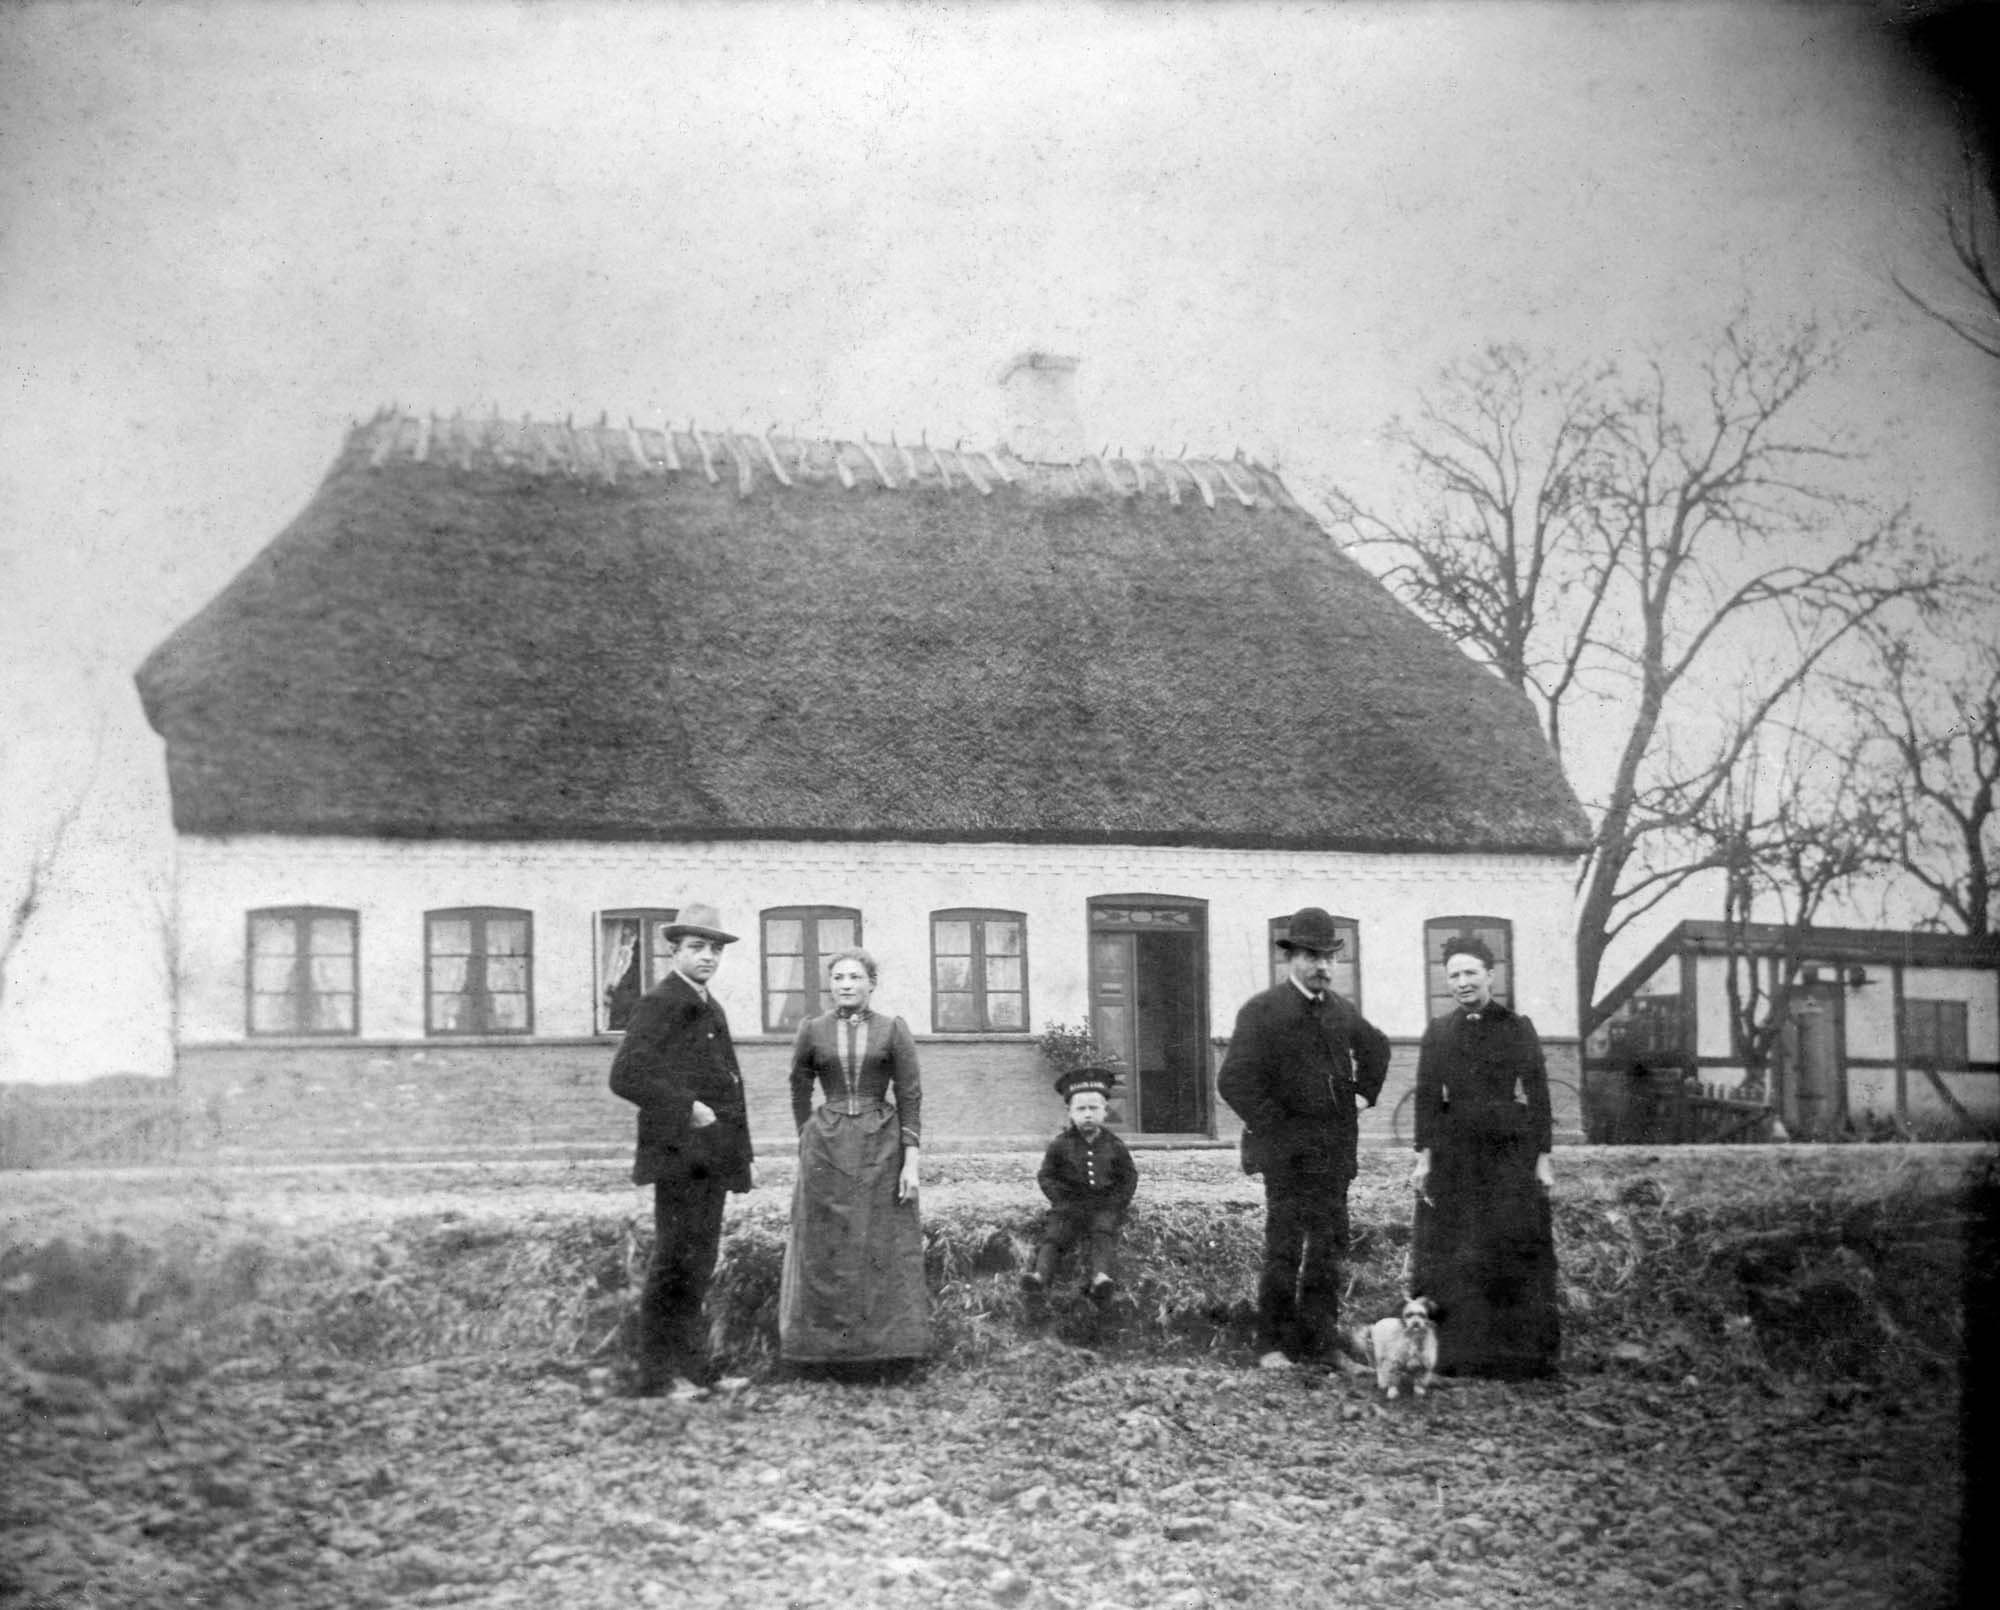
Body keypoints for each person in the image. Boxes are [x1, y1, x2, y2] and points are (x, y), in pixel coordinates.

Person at [1218, 906, 1391, 1370]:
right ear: (1290, 957)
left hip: (1333, 1153)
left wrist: (1363, 1096)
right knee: (1285, 1248)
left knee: (1328, 1249)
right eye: (1312, 956)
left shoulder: (1340, 1010)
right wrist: (1276, 1124)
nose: (1323, 967)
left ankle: (1322, 1344)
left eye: (1331, 958)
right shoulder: (1262, 1011)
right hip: (1287, 1156)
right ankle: (1272, 1345)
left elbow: (1377, 1047)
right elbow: (1233, 1080)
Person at [607, 902, 755, 1397]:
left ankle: (694, 1369)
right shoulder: (660, 1001)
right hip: (677, 1155)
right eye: (697, 947)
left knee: (699, 1263)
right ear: (675, 951)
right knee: (673, 1261)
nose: (708, 956)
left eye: (714, 948)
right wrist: (686, 1106)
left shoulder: (710, 1004)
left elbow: (730, 1086)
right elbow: (625, 1075)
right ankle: (657, 1376)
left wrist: (739, 1156)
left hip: (711, 1156)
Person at [1408, 934, 1560, 1379]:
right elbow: (1426, 1099)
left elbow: (1538, 1094)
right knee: (1459, 1251)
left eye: (1470, 972)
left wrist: (1542, 1158)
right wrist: (1424, 1157)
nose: (1462, 982)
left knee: (1508, 1246)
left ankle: (1516, 1358)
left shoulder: (1517, 1027)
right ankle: (1458, 1355)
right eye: (1453, 974)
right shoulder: (1438, 1032)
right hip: (1456, 1154)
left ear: (1491, 975)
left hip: (1506, 1153)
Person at [779, 948, 931, 1367]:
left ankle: (887, 1352)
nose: (846, 985)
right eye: (839, 978)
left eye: (855, 977)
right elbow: (797, 1087)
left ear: (871, 983)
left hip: (881, 1144)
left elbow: (910, 1095)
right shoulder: (812, 1029)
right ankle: (822, 1353)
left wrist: (911, 1160)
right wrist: (806, 1134)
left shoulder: (892, 1029)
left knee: (878, 1240)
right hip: (826, 1144)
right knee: (827, 1242)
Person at [1024, 1064, 1139, 1302]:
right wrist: (1061, 1199)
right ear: (1070, 1112)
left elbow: (1129, 1177)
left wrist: (1116, 1203)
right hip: (1070, 1204)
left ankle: (1101, 1277)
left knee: (1102, 1231)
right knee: (1055, 1234)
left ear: (1105, 1111)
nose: (1088, 1114)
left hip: (1104, 1204)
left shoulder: (1114, 1145)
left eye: (1094, 1108)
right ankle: (1040, 1276)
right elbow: (1046, 1175)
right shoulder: (1060, 1144)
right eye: (1081, 1109)